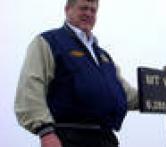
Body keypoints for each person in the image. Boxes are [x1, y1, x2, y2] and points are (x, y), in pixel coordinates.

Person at [14, 0, 138, 146]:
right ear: (67, 9)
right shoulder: (49, 42)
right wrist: (45, 131)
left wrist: (161, 93)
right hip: (68, 137)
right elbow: (31, 87)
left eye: (93, 10)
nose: (89, 14)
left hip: (106, 138)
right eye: (83, 8)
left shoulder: (103, 56)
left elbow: (126, 94)